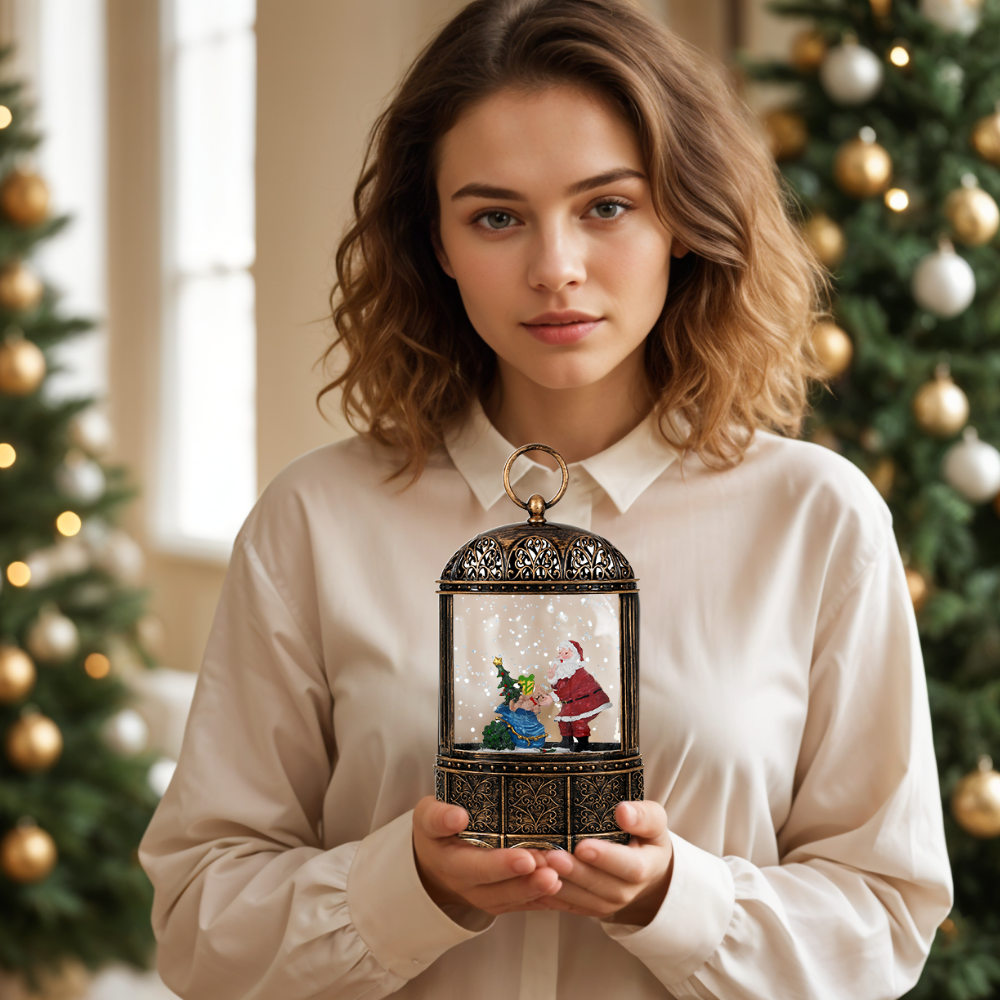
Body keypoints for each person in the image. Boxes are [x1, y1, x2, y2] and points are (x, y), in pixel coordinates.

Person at [139, 1, 953, 998]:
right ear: (435, 241)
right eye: (495, 216)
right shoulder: (315, 519)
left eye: (606, 206)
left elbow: (884, 918)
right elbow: (197, 923)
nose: (554, 269)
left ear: (681, 220)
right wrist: (410, 885)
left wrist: (671, 898)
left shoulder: (817, 519)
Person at [546, 639, 611, 750]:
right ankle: (566, 741)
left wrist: (551, 697)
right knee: (563, 721)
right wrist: (553, 678)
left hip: (587, 701)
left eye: (566, 653)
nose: (562, 657)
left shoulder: (579, 672)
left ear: (575, 655)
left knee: (578, 722)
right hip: (571, 703)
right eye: (560, 654)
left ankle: (583, 743)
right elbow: (560, 687)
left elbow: (568, 690)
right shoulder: (565, 671)